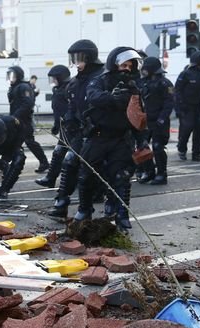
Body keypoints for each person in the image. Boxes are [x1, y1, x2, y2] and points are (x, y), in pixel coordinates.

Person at [77, 47, 147, 230]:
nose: (126, 68)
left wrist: (142, 141)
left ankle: (122, 214)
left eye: (129, 65)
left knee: (122, 177)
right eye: (123, 64)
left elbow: (138, 115)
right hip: (98, 137)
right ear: (114, 64)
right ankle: (84, 210)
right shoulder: (100, 80)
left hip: (120, 139)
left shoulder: (133, 87)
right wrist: (111, 98)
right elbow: (92, 97)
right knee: (86, 175)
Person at [47, 39, 105, 219]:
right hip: (82, 132)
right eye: (73, 59)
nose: (76, 63)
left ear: (89, 57)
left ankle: (92, 209)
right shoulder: (75, 82)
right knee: (69, 162)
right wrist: (70, 120)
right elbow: (72, 106)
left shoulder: (102, 78)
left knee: (96, 172)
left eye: (79, 58)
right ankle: (62, 203)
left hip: (102, 133)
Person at [6, 66, 50, 173]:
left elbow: (28, 103)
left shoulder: (24, 87)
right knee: (13, 142)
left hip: (24, 120)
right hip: (16, 120)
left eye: (13, 76)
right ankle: (5, 162)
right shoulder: (15, 87)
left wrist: (16, 115)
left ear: (18, 76)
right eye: (9, 76)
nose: (11, 78)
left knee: (29, 142)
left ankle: (44, 162)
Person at [138, 56, 174, 185]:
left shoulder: (165, 83)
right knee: (142, 146)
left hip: (159, 120)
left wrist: (162, 119)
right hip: (145, 121)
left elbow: (169, 102)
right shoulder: (142, 82)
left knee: (158, 147)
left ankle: (161, 174)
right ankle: (148, 171)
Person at [35, 65, 71, 187]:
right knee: (58, 153)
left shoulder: (68, 89)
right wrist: (56, 126)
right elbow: (57, 111)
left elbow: (68, 110)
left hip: (71, 127)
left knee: (73, 156)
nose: (53, 82)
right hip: (64, 128)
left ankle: (74, 180)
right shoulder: (58, 90)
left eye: (54, 78)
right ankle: (50, 179)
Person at [175, 51, 200, 162]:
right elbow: (178, 90)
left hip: (199, 108)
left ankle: (196, 153)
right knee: (186, 129)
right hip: (187, 107)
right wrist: (180, 105)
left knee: (199, 131)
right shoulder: (185, 74)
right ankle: (182, 149)